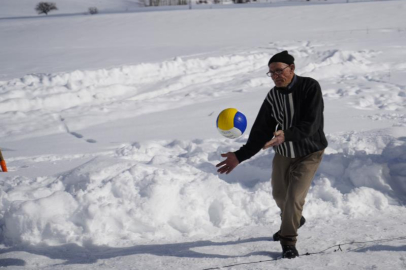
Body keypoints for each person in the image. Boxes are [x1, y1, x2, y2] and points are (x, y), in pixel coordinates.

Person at [216, 50, 327, 259]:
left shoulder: (310, 87)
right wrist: (239, 156)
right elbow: (260, 131)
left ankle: (288, 242)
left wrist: (286, 134)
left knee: (294, 198)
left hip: (309, 152)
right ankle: (294, 219)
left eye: (279, 71)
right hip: (284, 152)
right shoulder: (273, 96)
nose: (275, 76)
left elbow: (311, 124)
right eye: (271, 73)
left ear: (292, 69)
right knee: (279, 195)